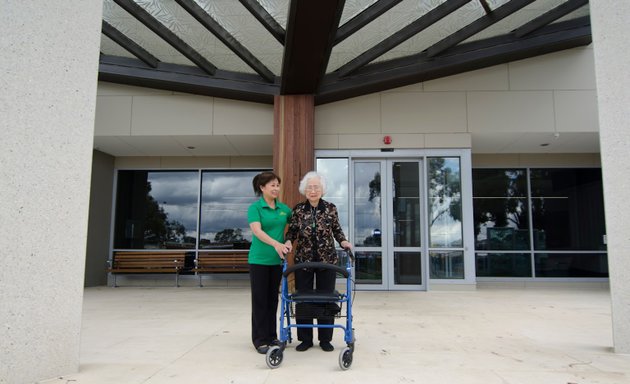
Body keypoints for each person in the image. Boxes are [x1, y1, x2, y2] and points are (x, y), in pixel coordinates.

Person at [284, 171, 352, 352]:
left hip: (326, 260)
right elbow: (292, 232)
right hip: (303, 261)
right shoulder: (298, 209)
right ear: (304, 190)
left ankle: (325, 339)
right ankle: (305, 339)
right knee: (303, 298)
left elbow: (337, 230)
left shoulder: (330, 208)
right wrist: (288, 240)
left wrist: (343, 241)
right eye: (309, 187)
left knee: (326, 298)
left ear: (322, 190)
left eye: (316, 187)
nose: (313, 190)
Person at [247, 171, 292, 354]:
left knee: (272, 300)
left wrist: (288, 241)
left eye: (277, 185)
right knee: (260, 300)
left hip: (276, 262)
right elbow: (257, 231)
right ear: (262, 187)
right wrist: (276, 244)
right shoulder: (255, 208)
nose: (276, 188)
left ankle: (272, 335)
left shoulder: (284, 209)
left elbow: (294, 228)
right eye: (272, 185)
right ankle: (259, 339)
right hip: (258, 260)